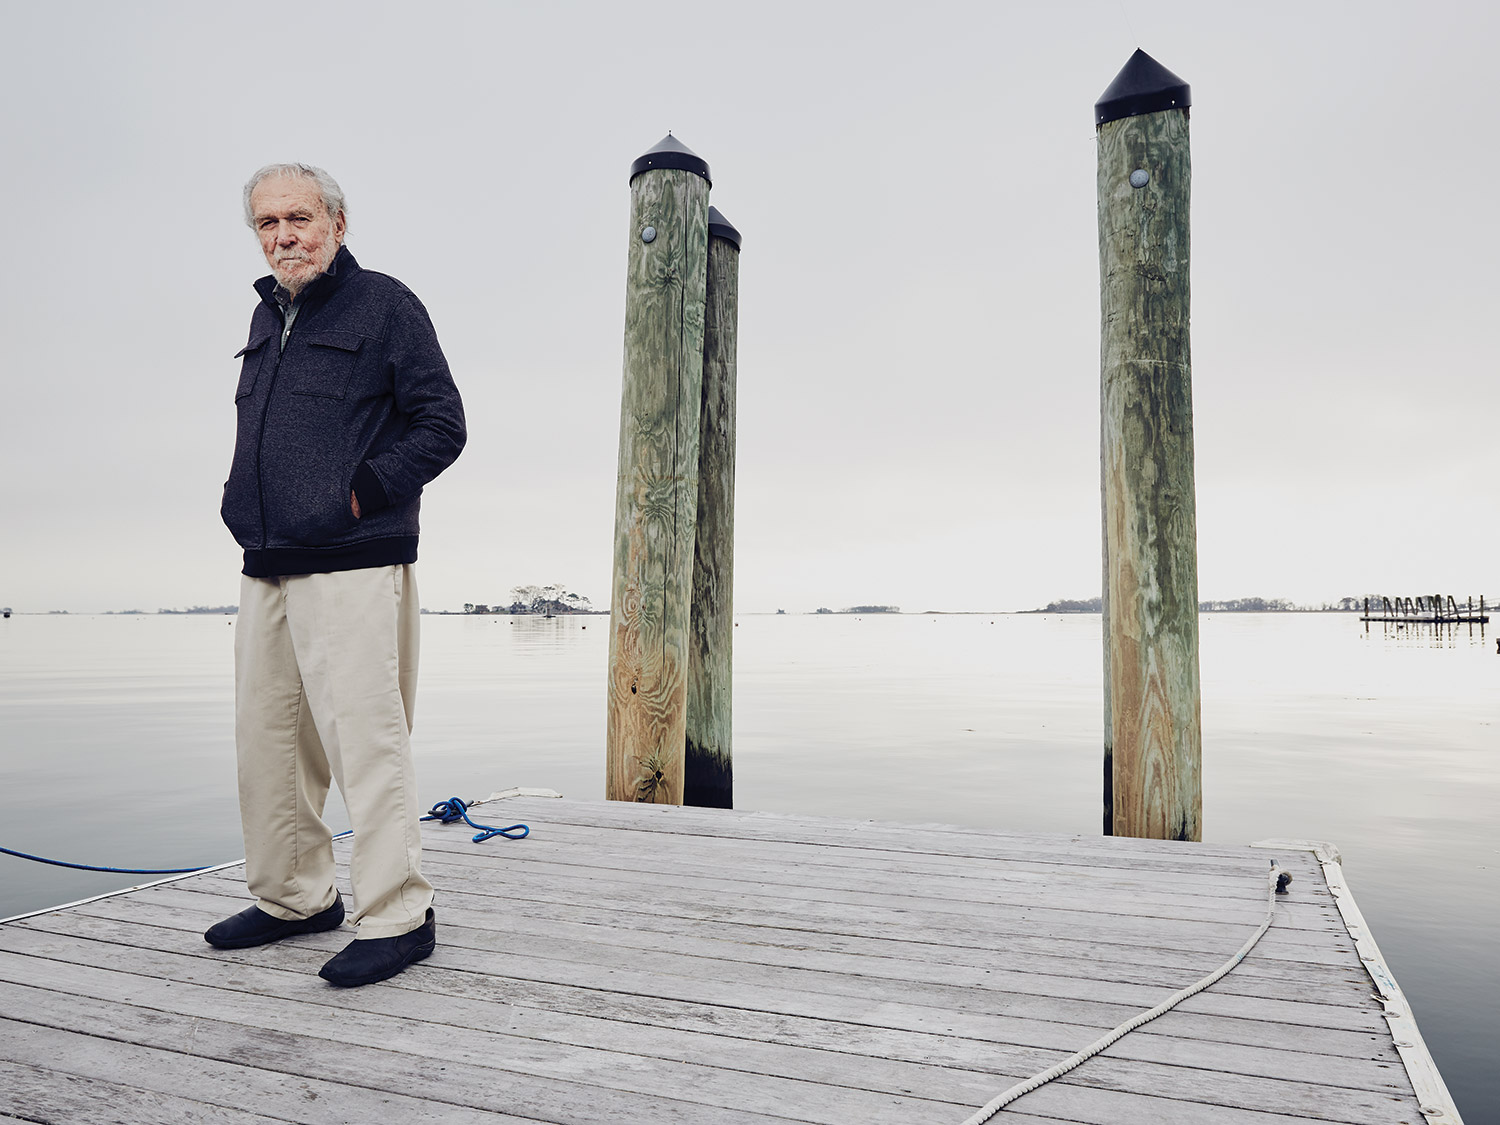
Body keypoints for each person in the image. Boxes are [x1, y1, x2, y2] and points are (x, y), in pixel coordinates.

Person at [207, 163, 466, 987]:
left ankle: (398, 914)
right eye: (267, 223)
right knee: (269, 747)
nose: (283, 235)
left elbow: (443, 424)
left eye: (298, 218)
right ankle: (294, 897)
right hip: (266, 564)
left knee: (367, 746)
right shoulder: (261, 313)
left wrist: (360, 493)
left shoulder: (386, 305)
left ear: (337, 224)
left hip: (354, 562)